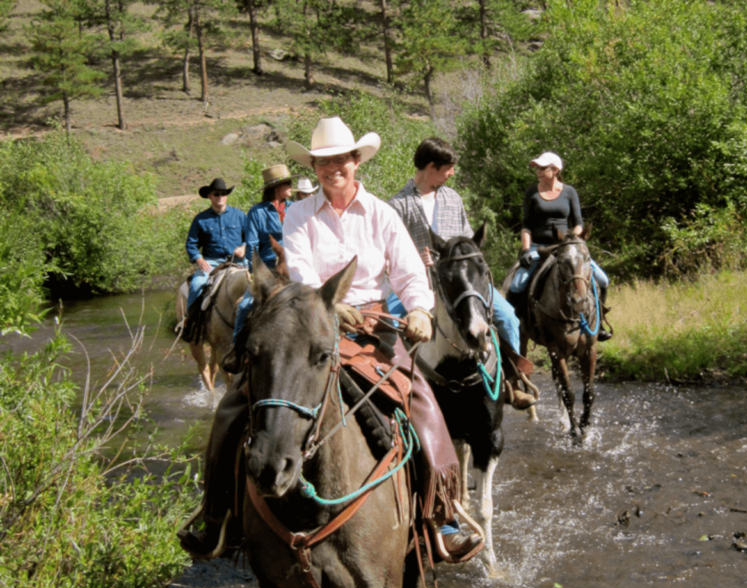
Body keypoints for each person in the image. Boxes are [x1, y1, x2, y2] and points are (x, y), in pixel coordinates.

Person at [178, 116, 482, 562]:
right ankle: (216, 514)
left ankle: (443, 515)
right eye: (322, 161)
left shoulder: (383, 213)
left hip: (373, 325)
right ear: (315, 166)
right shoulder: (300, 213)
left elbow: (408, 272)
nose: (332, 168)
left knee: (420, 399)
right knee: (238, 401)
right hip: (309, 320)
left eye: (340, 159)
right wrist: (326, 303)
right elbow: (299, 270)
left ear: (356, 161)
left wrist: (418, 307)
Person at [387, 137, 538, 410]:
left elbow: (469, 240)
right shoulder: (397, 206)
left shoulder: (452, 198)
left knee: (508, 318)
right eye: (448, 168)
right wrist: (414, 260)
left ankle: (511, 383)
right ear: (431, 167)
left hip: (462, 283)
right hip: (419, 283)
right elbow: (388, 254)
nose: (452, 173)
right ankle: (394, 391)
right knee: (387, 324)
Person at [508, 152, 613, 341]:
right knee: (517, 285)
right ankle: (518, 324)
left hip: (567, 246)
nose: (538, 172)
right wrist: (525, 250)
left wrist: (574, 240)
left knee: (603, 280)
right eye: (537, 168)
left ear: (555, 170)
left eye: (542, 168)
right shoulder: (532, 192)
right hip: (539, 247)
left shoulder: (569, 192)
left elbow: (578, 222)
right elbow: (526, 226)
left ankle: (600, 323)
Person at [232, 164, 293, 342]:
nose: (291, 186)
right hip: (268, 268)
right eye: (287, 183)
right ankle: (236, 347)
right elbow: (251, 245)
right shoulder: (257, 212)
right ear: (276, 188)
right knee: (245, 306)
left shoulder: (295, 208)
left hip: (295, 266)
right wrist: (254, 271)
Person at [184, 177, 247, 311]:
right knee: (196, 285)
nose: (220, 197)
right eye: (216, 194)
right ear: (209, 196)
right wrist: (199, 260)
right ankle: (189, 323)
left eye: (223, 194)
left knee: (261, 285)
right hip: (211, 263)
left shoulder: (239, 215)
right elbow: (191, 244)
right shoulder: (200, 219)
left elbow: (251, 237)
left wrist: (244, 247)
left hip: (238, 261)